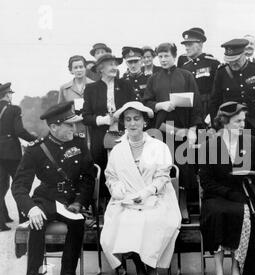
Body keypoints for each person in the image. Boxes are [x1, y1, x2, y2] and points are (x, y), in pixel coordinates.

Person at [11, 101, 95, 275]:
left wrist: (79, 202)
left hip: (71, 201)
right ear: (54, 127)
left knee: (77, 223)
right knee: (37, 221)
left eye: (74, 124)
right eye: (69, 125)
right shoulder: (36, 149)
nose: (74, 128)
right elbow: (19, 186)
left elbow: (89, 177)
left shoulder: (79, 143)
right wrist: (30, 208)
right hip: (46, 199)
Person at [100, 101, 181, 275]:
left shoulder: (158, 147)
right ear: (124, 124)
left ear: (145, 122)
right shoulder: (118, 149)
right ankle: (139, 268)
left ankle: (151, 268)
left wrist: (146, 193)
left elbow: (163, 177)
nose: (132, 123)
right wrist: (118, 189)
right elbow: (111, 176)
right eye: (128, 119)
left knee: (152, 221)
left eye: (137, 118)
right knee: (125, 223)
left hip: (156, 197)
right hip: (126, 200)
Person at [198, 101, 255, 275]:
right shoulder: (210, 145)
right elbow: (206, 181)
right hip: (216, 196)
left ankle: (236, 268)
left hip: (243, 195)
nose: (242, 125)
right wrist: (229, 193)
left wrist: (252, 174)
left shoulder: (251, 142)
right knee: (217, 214)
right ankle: (219, 271)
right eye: (237, 121)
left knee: (244, 212)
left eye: (243, 121)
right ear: (224, 122)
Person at [143, 42, 203, 199]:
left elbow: (196, 104)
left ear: (174, 56)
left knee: (184, 166)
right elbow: (146, 103)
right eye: (160, 56)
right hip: (161, 130)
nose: (163, 60)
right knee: (163, 166)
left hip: (182, 128)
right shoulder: (153, 79)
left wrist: (193, 130)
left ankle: (183, 203)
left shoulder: (186, 76)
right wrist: (160, 105)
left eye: (166, 56)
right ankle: (164, 201)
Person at [82, 53, 135, 200]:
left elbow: (134, 108)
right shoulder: (91, 89)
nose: (114, 67)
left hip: (124, 134)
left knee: (126, 168)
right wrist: (104, 120)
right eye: (110, 64)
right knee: (103, 168)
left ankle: (128, 200)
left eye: (115, 64)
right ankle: (104, 205)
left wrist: (121, 116)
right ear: (100, 68)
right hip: (101, 137)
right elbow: (86, 117)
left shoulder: (125, 85)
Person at [209, 38, 255, 140]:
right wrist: (217, 127)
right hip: (231, 123)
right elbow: (214, 101)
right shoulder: (221, 72)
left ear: (244, 54)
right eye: (230, 61)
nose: (233, 64)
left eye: (236, 60)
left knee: (254, 153)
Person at [0, 83, 36, 230]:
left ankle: (1, 222)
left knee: (1, 187)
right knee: (19, 185)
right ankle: (23, 219)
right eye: (10, 93)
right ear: (8, 94)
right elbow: (19, 131)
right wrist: (34, 140)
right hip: (11, 153)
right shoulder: (14, 109)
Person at [180, 27, 220, 121]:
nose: (186, 48)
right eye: (185, 45)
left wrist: (213, 113)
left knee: (206, 135)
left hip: (208, 111)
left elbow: (218, 92)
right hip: (191, 111)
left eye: (189, 44)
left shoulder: (213, 63)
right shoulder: (185, 67)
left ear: (200, 44)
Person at [58, 55, 94, 138]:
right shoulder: (64, 88)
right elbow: (60, 111)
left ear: (85, 68)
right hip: (73, 128)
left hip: (92, 127)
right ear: (71, 70)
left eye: (81, 67)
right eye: (75, 68)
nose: (79, 70)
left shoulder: (95, 85)